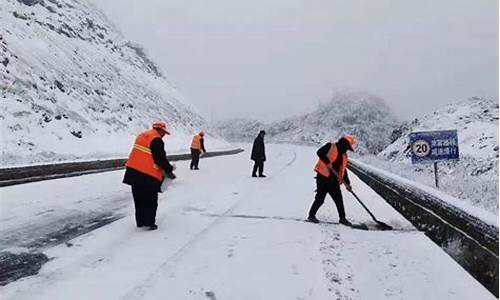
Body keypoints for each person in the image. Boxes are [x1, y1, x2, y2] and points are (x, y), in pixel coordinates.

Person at [123, 122, 176, 230]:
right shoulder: (156, 139)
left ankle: (141, 222)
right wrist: (169, 170)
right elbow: (160, 158)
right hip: (147, 175)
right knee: (150, 200)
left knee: (138, 199)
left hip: (133, 172)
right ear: (159, 130)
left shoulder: (142, 136)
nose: (164, 135)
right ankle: (149, 223)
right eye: (164, 133)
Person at [307, 135, 356, 225]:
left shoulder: (344, 156)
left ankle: (342, 218)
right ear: (344, 144)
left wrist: (348, 183)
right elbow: (319, 152)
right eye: (347, 147)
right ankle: (311, 215)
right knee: (320, 198)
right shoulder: (330, 146)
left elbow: (343, 170)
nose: (347, 149)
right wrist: (327, 162)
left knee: (338, 199)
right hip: (322, 177)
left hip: (334, 180)